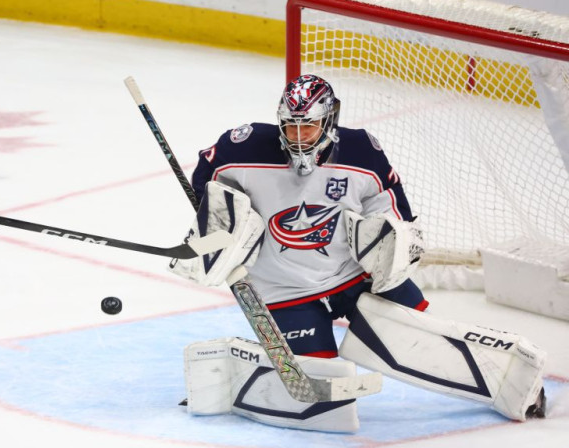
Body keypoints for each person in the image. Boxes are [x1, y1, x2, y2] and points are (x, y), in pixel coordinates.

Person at [174, 74, 546, 431]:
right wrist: (222, 231)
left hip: (357, 277)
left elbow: (397, 215)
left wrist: (390, 255)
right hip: (283, 291)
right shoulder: (243, 146)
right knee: (319, 395)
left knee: (429, 341)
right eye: (291, 127)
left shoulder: (362, 152)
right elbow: (206, 186)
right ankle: (231, 384)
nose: (299, 137)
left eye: (309, 127)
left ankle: (511, 386)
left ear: (330, 120)